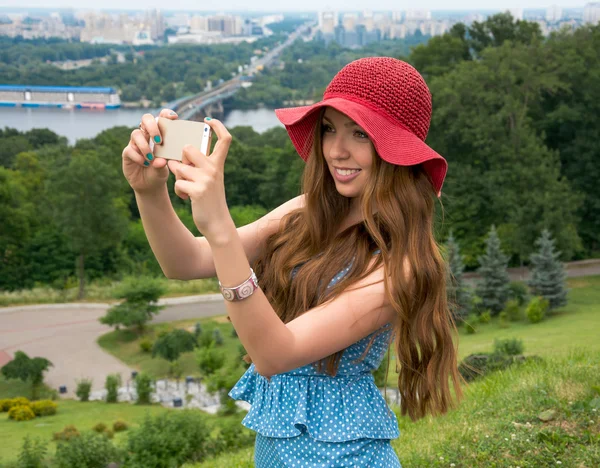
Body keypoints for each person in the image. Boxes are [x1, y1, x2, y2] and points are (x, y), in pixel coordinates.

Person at [122, 57, 464, 467]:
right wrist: (149, 193)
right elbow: (186, 261)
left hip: (346, 457)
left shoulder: (399, 265)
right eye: (329, 129)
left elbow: (276, 354)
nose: (337, 150)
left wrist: (221, 227)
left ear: (396, 149)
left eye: (360, 133)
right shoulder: (307, 212)